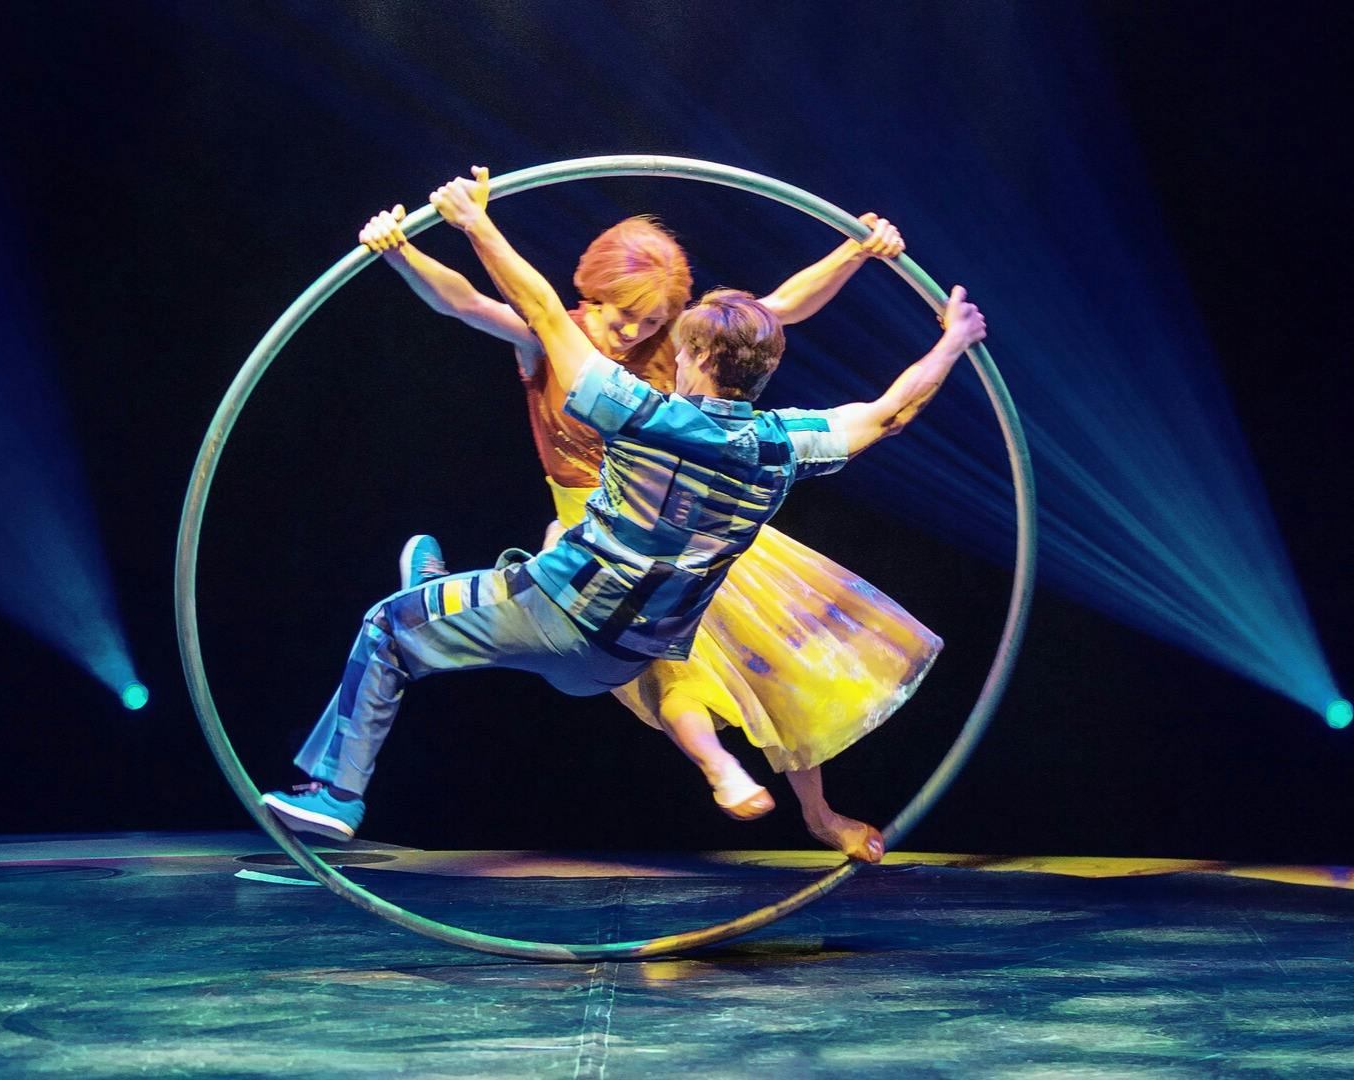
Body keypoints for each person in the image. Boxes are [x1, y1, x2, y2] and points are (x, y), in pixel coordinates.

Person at [265, 167, 987, 854]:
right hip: (630, 628)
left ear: (692, 349)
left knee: (400, 624)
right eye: (626, 315)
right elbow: (886, 410)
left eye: (657, 322)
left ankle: (339, 788)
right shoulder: (783, 444)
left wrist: (474, 223)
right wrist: (952, 338)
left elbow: (540, 305)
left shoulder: (634, 411)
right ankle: (444, 597)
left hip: (572, 595)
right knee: (564, 593)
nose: (638, 334)